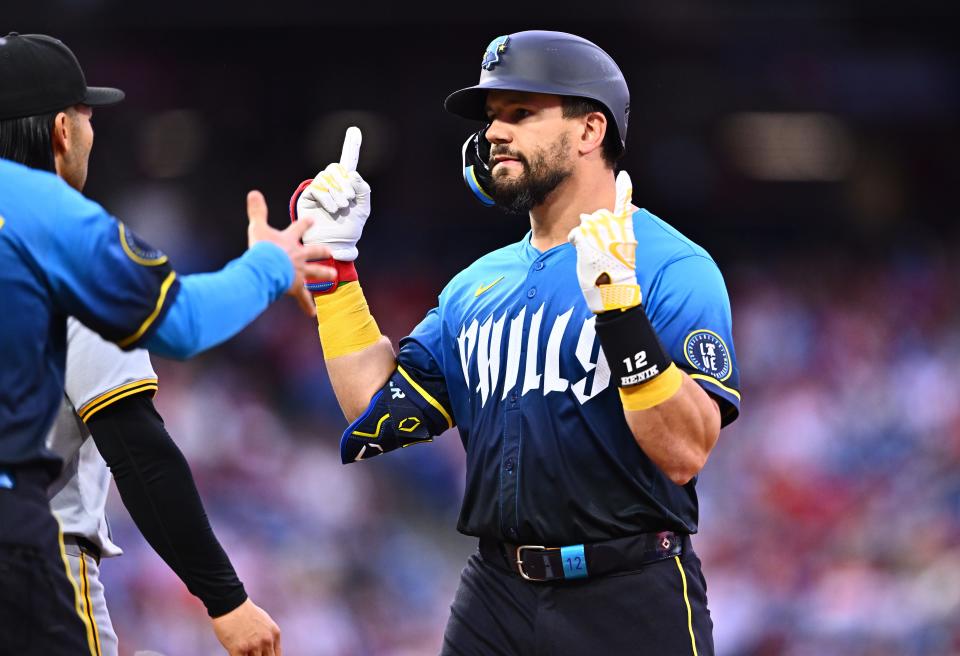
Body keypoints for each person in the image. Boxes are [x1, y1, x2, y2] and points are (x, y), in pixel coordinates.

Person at [293, 30, 741, 654]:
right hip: (495, 594)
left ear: (590, 131)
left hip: (628, 594)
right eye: (493, 117)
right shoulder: (477, 284)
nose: (494, 132)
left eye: (522, 113)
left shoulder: (671, 265)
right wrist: (337, 269)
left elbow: (685, 450)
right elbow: (370, 404)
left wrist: (621, 313)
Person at [0, 32, 334, 655]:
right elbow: (143, 439)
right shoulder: (54, 227)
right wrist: (268, 265)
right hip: (26, 555)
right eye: (86, 115)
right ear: (61, 132)